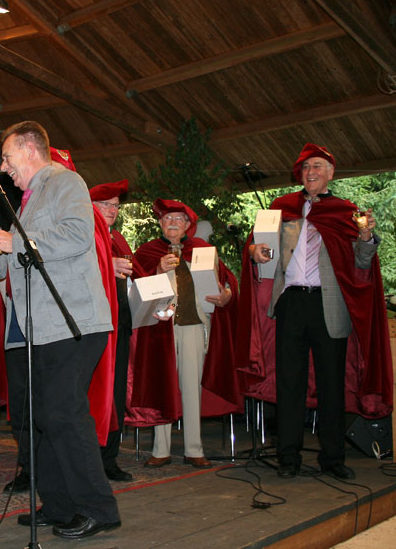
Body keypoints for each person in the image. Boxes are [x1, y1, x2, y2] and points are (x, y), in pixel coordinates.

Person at [0, 122, 121, 540]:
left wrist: (15, 240)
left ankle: (98, 508)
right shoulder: (29, 202)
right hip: (44, 330)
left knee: (64, 414)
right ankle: (58, 506)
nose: (3, 168)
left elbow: (77, 237)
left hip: (73, 323)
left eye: (6, 158)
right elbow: (2, 259)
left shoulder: (65, 181)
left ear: (28, 149)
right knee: (44, 418)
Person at [243, 143, 391, 479]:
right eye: (307, 167)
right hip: (291, 302)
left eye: (318, 167)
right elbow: (255, 246)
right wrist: (253, 250)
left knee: (331, 385)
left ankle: (333, 459)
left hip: (330, 304)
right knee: (289, 384)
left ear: (330, 173)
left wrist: (366, 238)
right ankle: (288, 458)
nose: (312, 172)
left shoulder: (346, 212)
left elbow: (361, 263)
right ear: (300, 173)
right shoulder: (282, 208)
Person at [133, 199, 240, 469]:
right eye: (168, 218)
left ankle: (194, 449)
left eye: (179, 219)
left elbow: (227, 282)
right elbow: (135, 286)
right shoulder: (148, 251)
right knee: (162, 386)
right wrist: (157, 269)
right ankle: (161, 450)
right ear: (160, 223)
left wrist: (226, 295)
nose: (172, 223)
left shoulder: (203, 250)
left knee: (193, 387)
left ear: (188, 226)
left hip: (193, 325)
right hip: (160, 329)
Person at [90, 179, 146, 482]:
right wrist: (105, 264)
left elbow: (138, 275)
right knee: (97, 394)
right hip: (97, 325)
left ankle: (110, 457)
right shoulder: (85, 235)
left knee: (116, 392)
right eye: (104, 205)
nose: (111, 210)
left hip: (120, 323)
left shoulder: (120, 239)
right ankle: (93, 459)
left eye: (115, 205)